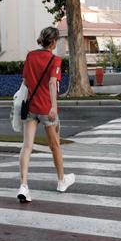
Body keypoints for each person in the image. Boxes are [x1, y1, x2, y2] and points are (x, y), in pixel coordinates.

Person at [17, 27, 75, 203]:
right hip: (46, 109)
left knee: (27, 147)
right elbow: (52, 83)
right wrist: (53, 107)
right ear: (54, 42)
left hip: (31, 107)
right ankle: (61, 181)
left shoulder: (30, 56)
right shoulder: (54, 60)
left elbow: (26, 81)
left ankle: (23, 186)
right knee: (55, 146)